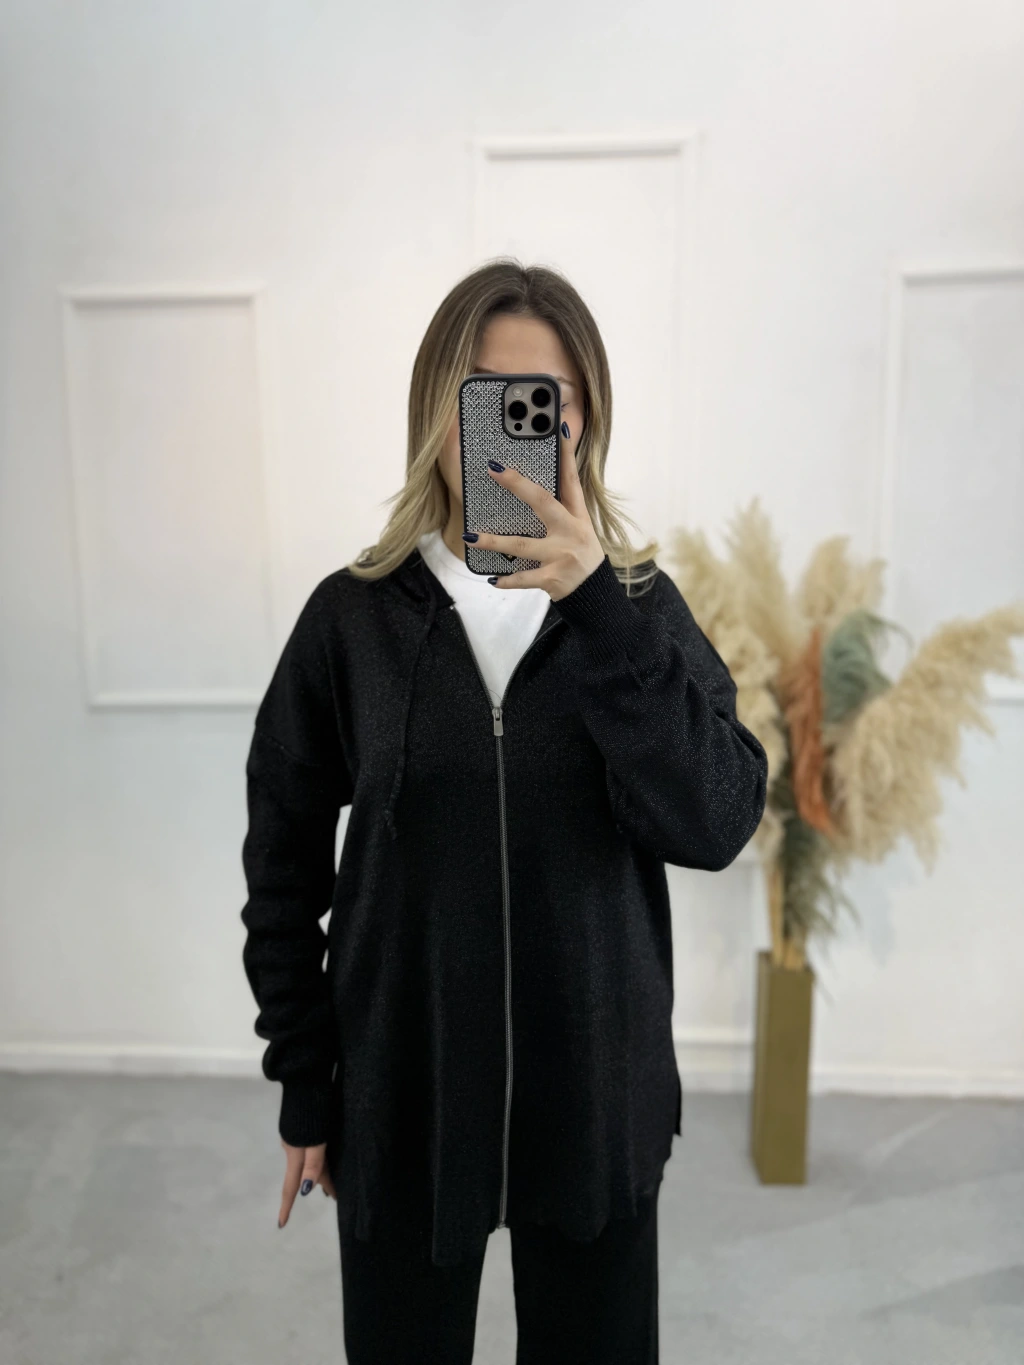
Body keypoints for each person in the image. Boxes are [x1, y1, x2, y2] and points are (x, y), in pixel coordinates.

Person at [240, 258, 769, 1363]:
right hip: (406, 1096)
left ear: (585, 423)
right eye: (489, 396)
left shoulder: (635, 612)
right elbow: (282, 861)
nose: (521, 429)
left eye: (549, 402)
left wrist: (599, 612)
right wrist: (305, 1080)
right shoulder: (351, 620)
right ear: (438, 411)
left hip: (596, 1098)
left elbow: (717, 820)